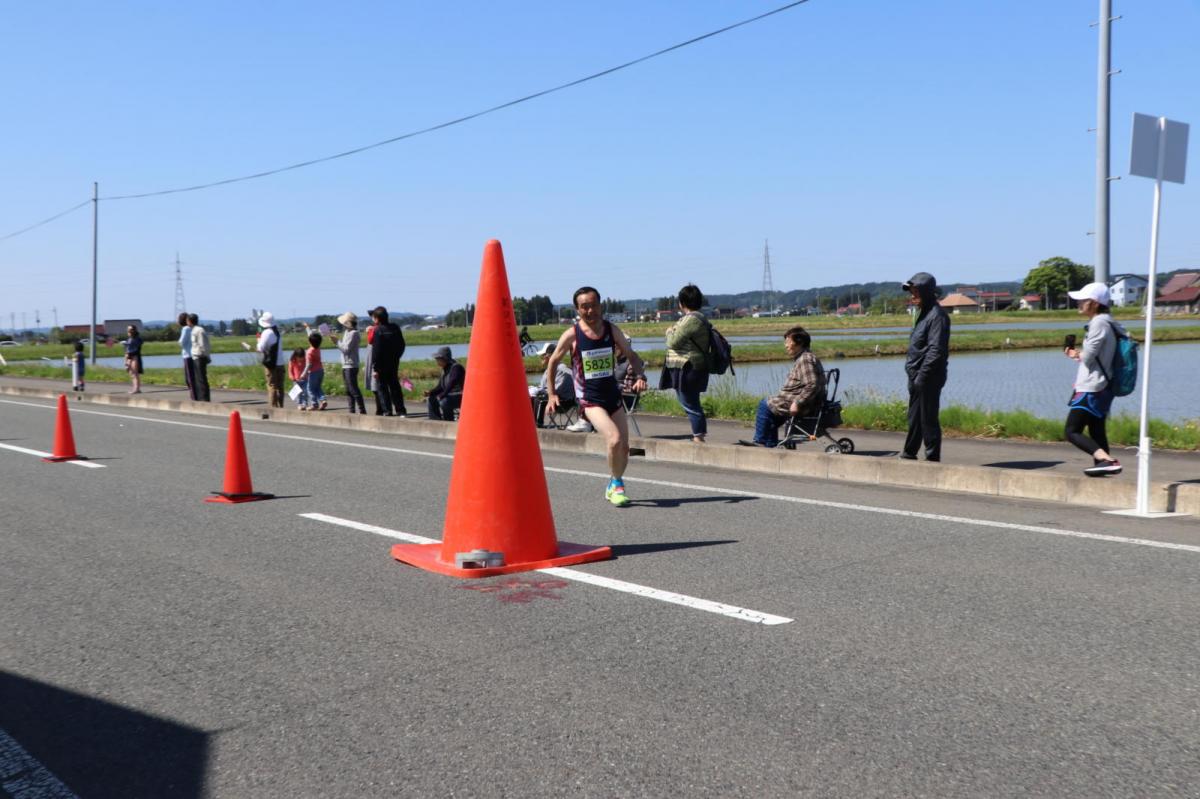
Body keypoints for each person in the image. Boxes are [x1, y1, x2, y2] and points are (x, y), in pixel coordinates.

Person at [545, 286, 648, 507]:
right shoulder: (573, 334)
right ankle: (617, 485)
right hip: (590, 400)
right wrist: (552, 394)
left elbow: (631, 356)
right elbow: (553, 361)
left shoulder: (611, 330)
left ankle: (613, 481)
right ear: (577, 309)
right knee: (614, 439)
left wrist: (640, 375)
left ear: (600, 306)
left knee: (624, 448)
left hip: (613, 396)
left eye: (593, 305)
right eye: (584, 307)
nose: (590, 311)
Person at [1064, 282, 1124, 476]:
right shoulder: (1109, 321)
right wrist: (1078, 354)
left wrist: (1075, 354)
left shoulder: (1098, 322)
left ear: (1095, 303)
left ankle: (1106, 460)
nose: (1079, 303)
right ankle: (1103, 465)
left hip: (1092, 387)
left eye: (1083, 300)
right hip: (1104, 385)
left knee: (1072, 431)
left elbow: (1088, 357)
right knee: (1096, 429)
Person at [740, 327, 825, 448]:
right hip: (803, 402)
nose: (785, 345)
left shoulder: (805, 359)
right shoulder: (806, 357)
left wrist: (797, 403)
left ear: (799, 343)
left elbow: (812, 384)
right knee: (771, 414)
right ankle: (770, 445)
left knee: (765, 404)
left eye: (788, 342)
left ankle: (760, 441)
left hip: (803, 405)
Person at [901, 272, 950, 462]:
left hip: (928, 376)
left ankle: (932, 458)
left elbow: (936, 351)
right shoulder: (923, 314)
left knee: (928, 419)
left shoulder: (937, 316)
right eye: (911, 292)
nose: (912, 296)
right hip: (916, 376)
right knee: (914, 418)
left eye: (915, 292)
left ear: (927, 292)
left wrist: (921, 377)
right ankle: (909, 453)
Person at [663, 283, 710, 443]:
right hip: (687, 366)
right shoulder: (695, 318)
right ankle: (698, 435)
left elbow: (673, 342)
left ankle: (698, 437)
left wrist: (669, 332)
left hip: (688, 367)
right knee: (690, 402)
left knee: (689, 403)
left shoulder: (691, 320)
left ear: (681, 303)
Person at [369, 306, 407, 417]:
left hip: (381, 364)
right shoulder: (395, 328)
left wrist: (375, 368)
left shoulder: (378, 330)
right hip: (394, 362)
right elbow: (402, 345)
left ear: (377, 319)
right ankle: (401, 410)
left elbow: (376, 351)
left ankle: (387, 411)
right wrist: (397, 357)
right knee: (395, 386)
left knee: (382, 388)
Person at [532, 342, 574, 427]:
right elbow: (543, 387)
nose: (541, 358)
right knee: (530, 397)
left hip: (563, 401)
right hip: (554, 397)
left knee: (540, 399)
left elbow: (557, 391)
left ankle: (537, 425)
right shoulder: (548, 370)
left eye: (543, 355)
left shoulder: (562, 370)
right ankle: (529, 422)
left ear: (549, 356)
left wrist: (539, 391)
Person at [332, 311, 367, 414]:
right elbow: (344, 347)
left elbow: (346, 349)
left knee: (353, 389)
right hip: (346, 364)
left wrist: (336, 342)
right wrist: (337, 342)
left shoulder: (354, 333)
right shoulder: (348, 332)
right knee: (348, 389)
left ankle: (362, 410)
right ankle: (351, 410)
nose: (342, 324)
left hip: (351, 365)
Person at [426, 346, 466, 421]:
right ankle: (435, 420)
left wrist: (442, 395)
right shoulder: (444, 369)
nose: (437, 361)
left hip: (460, 395)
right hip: (449, 394)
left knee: (444, 401)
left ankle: (448, 420)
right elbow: (440, 386)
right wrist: (431, 392)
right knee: (431, 399)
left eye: (438, 359)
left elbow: (452, 383)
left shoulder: (456, 368)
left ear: (445, 358)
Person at [256, 312, 285, 408]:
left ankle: (273, 407)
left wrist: (258, 341)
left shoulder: (266, 333)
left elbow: (260, 348)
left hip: (271, 364)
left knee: (272, 385)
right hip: (280, 363)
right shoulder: (277, 332)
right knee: (280, 387)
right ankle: (281, 406)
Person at [301, 331, 327, 411]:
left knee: (310, 389)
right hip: (320, 370)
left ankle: (314, 404)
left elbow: (309, 364)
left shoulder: (309, 352)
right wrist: (307, 328)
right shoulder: (317, 349)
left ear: (310, 341)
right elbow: (313, 337)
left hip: (313, 372)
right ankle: (323, 400)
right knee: (318, 387)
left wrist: (303, 373)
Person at [189, 313, 211, 401]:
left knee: (202, 378)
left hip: (200, 356)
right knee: (197, 378)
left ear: (190, 321)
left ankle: (205, 398)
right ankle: (200, 397)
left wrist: (206, 356)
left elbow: (204, 345)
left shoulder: (199, 330)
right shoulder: (194, 330)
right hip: (195, 357)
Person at [178, 311, 196, 400]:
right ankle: (196, 395)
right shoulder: (193, 328)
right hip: (194, 355)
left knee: (189, 378)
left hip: (187, 355)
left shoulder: (185, 329)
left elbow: (181, 342)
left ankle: (193, 396)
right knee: (194, 376)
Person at [124, 325, 143, 394]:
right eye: (128, 329)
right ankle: (135, 388)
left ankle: (136, 389)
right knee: (131, 373)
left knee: (135, 373)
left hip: (135, 357)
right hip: (129, 357)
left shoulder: (137, 339)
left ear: (134, 330)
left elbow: (135, 348)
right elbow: (127, 349)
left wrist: (128, 345)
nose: (128, 331)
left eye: (130, 329)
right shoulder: (128, 339)